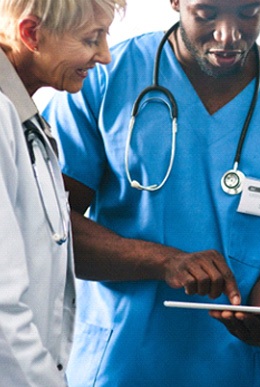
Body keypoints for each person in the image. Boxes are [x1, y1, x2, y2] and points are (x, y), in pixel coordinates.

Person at [42, 0, 260, 385]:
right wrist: (164, 260)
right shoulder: (103, 77)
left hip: (234, 368)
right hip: (117, 362)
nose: (228, 34)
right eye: (207, 13)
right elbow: (50, 229)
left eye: (248, 12)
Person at [0, 0, 125, 385]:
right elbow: (3, 305)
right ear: (31, 34)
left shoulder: (25, 117)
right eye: (92, 39)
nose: (104, 56)